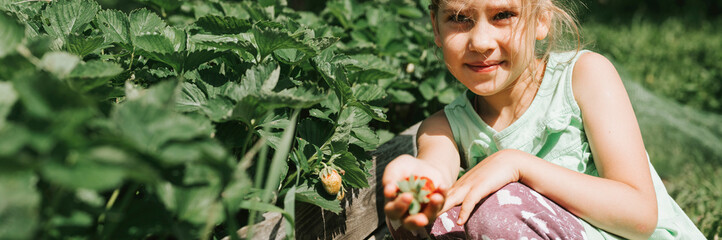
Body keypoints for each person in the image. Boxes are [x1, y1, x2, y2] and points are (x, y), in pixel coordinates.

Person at [382, 0, 705, 239]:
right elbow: (435, 172)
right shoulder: (444, 128)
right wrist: (416, 183)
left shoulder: (584, 77)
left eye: (503, 15)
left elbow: (640, 215)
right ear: (436, 28)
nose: (480, 42)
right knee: (428, 223)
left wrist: (517, 164)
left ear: (542, 20)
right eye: (458, 18)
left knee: (498, 211)